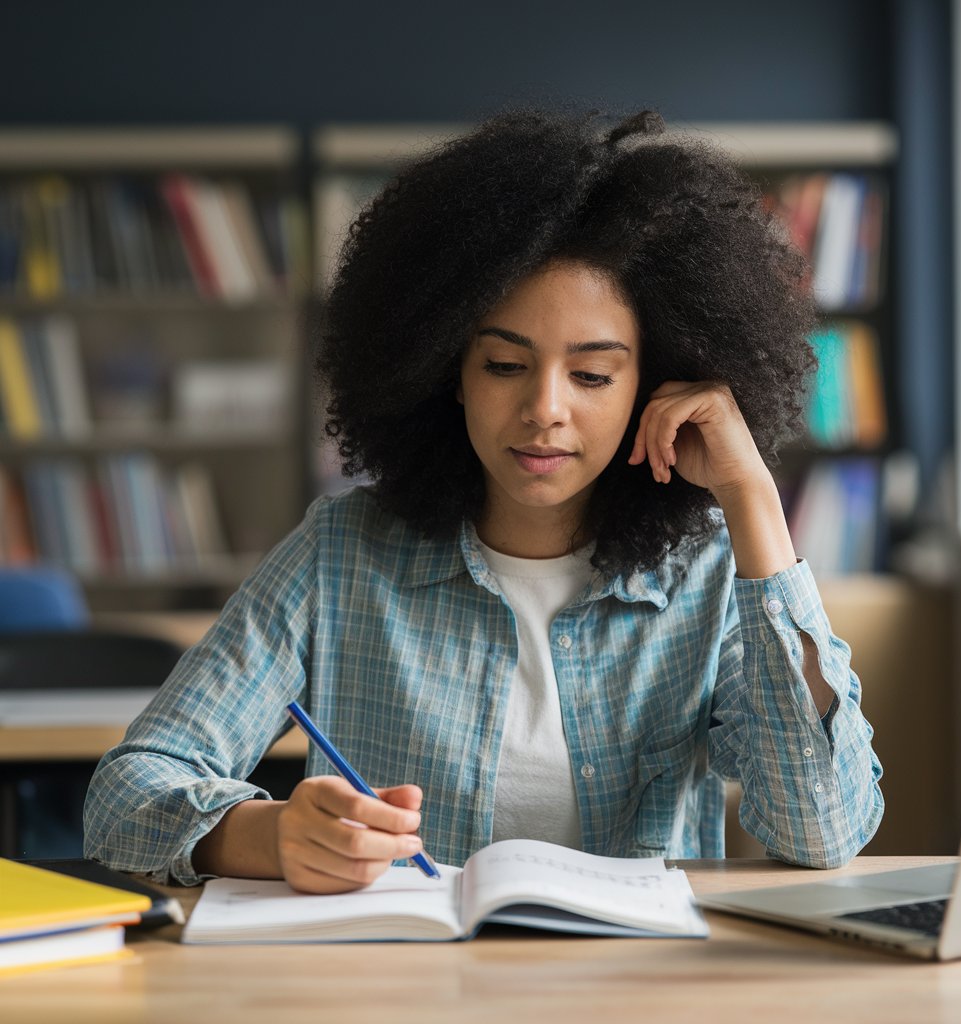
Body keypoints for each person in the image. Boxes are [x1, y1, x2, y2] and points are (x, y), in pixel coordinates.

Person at [84, 108, 883, 893]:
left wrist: (752, 502)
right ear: (447, 375)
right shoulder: (341, 554)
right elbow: (125, 796)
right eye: (504, 365)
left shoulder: (705, 572)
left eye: (593, 375)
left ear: (658, 381)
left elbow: (822, 830)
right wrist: (265, 834)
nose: (544, 409)